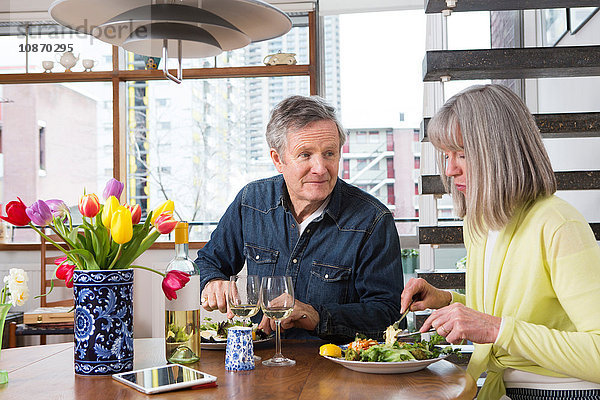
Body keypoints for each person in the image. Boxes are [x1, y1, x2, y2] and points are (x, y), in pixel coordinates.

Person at [401, 84, 600, 399]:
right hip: (507, 388)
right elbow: (508, 315)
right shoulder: (480, 223)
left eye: (463, 154)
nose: (451, 169)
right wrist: (449, 301)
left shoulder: (560, 226)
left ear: (500, 153)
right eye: (447, 155)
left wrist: (495, 329)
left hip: (565, 392)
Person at [196, 95, 404, 342]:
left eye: (329, 153)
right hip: (259, 364)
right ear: (278, 160)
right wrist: (212, 281)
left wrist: (316, 315)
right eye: (305, 155)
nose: (320, 168)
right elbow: (208, 262)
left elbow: (388, 314)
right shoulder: (251, 201)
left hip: (335, 370)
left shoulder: (373, 220)